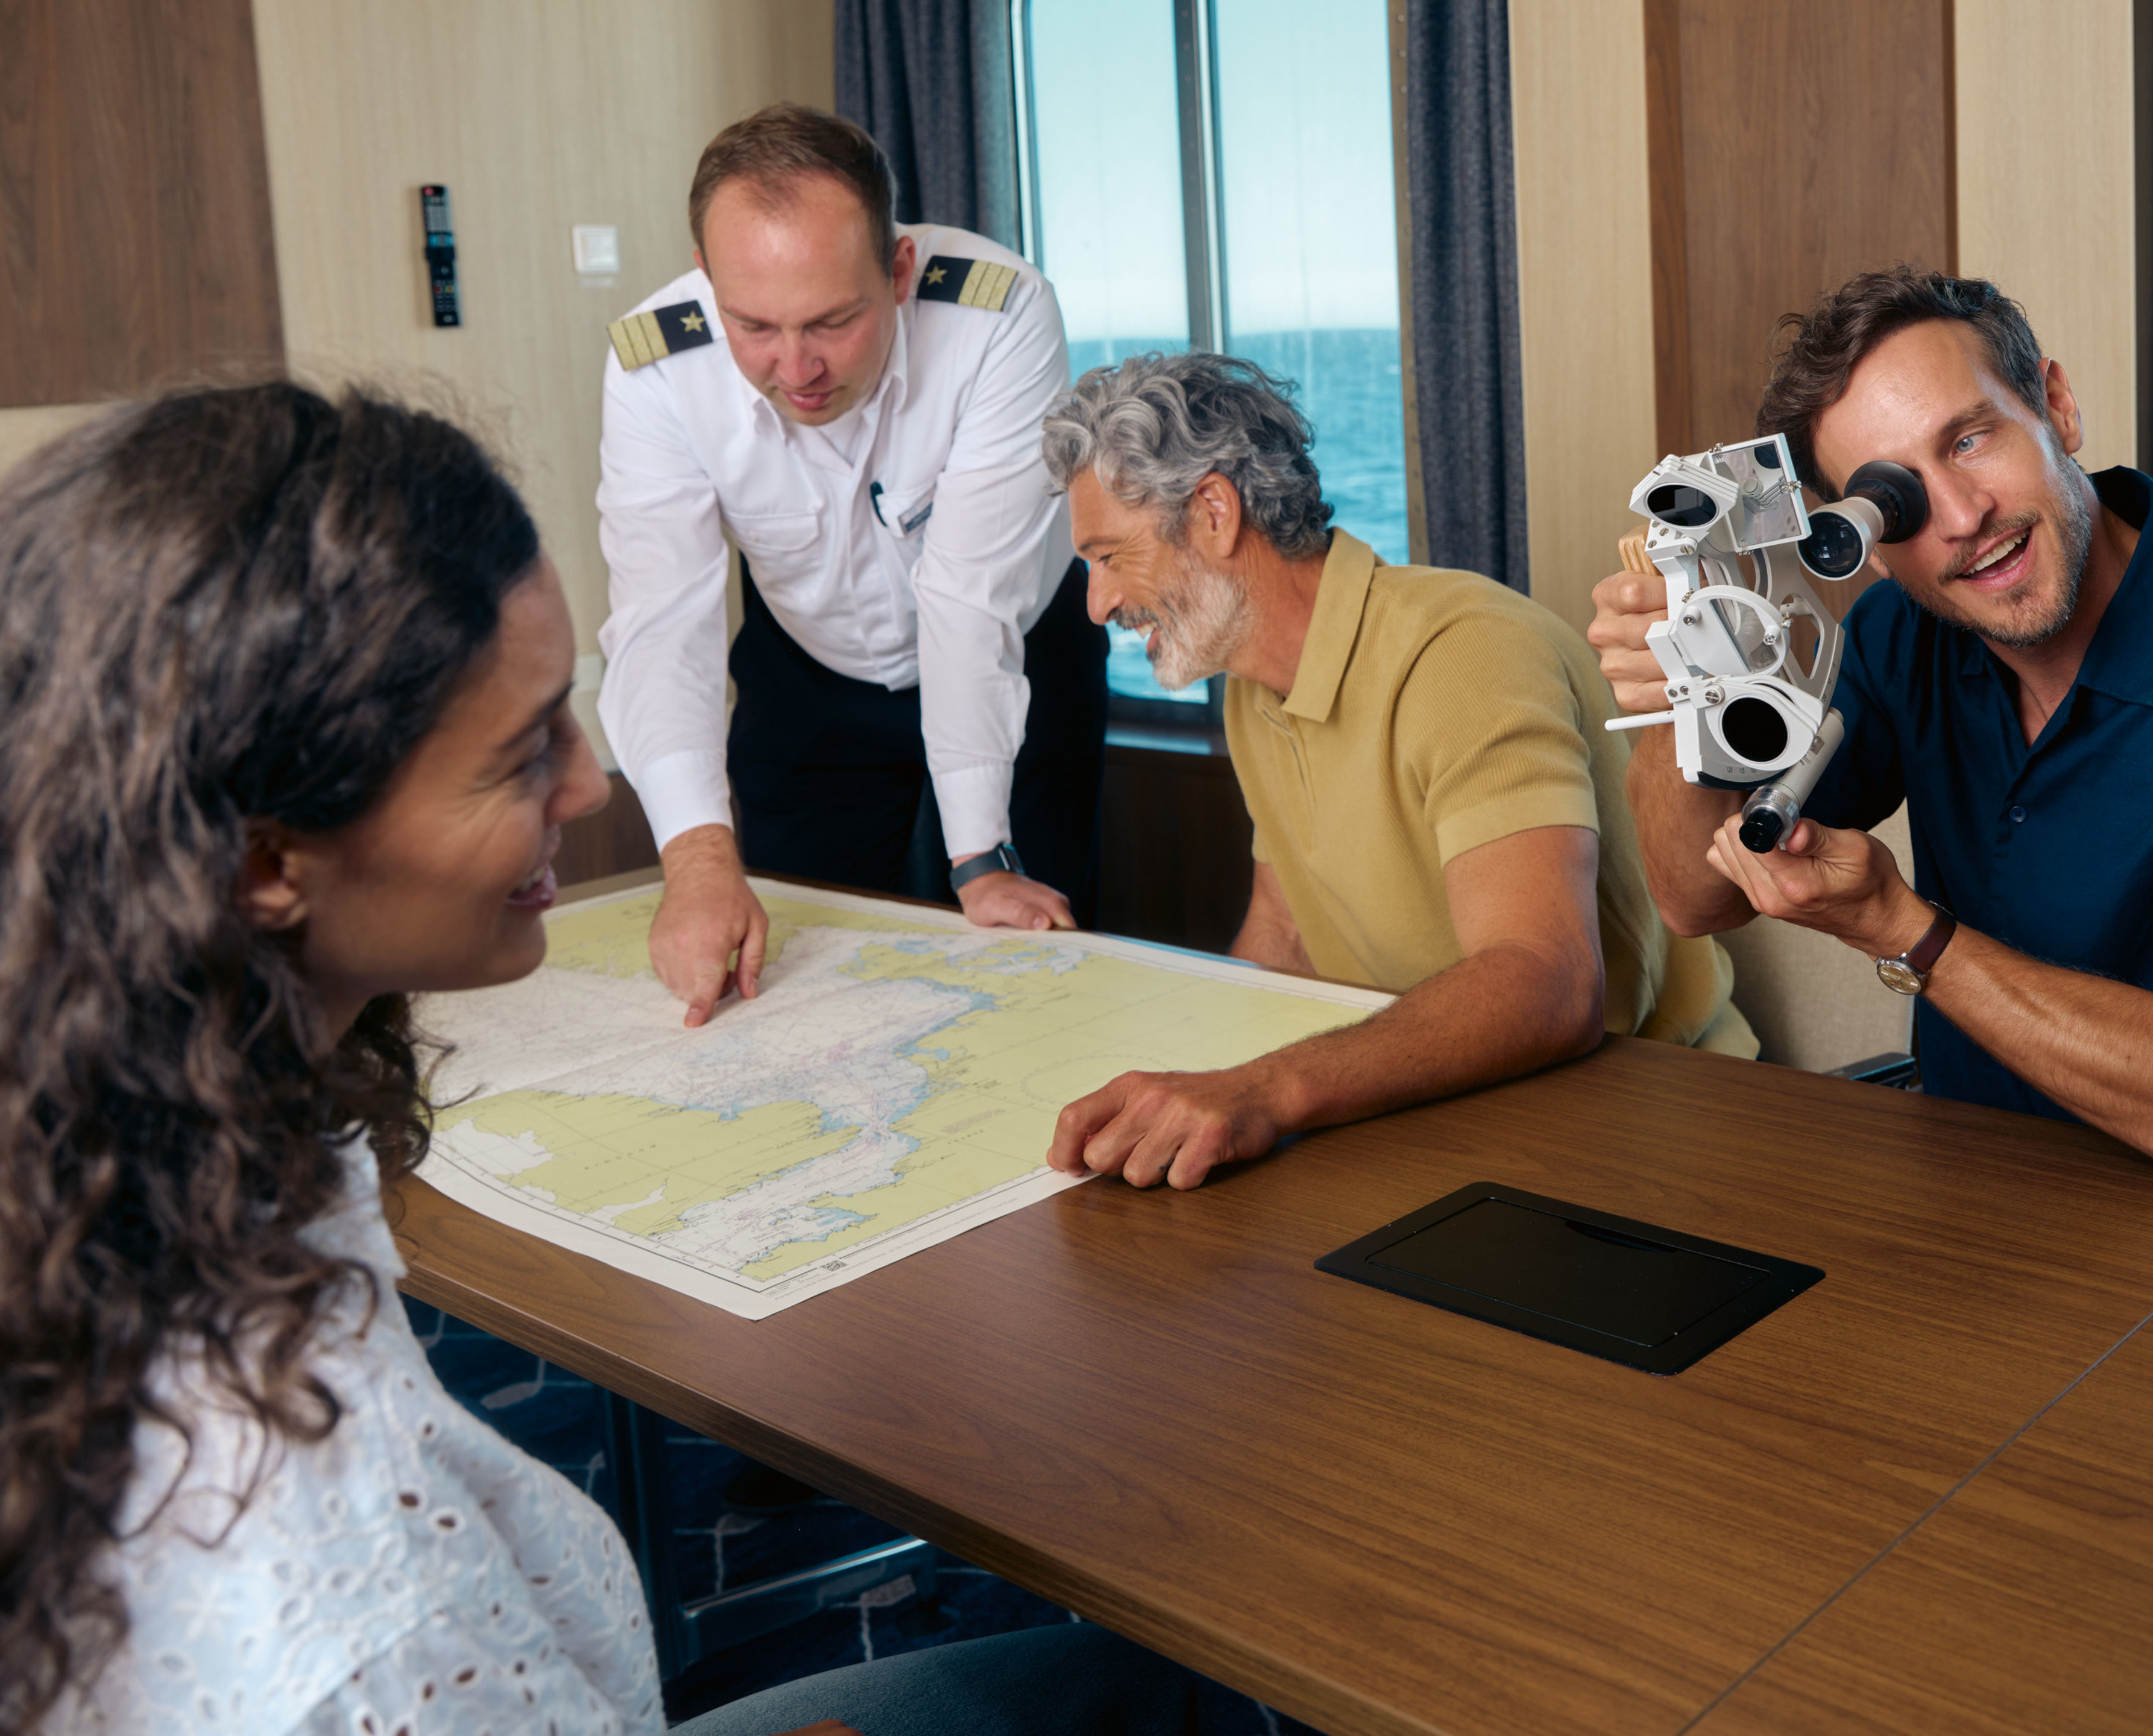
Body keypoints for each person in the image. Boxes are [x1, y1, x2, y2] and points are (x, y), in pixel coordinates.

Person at [0, 382, 1196, 1735]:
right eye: (517, 754)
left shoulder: (41, 1158)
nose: (588, 784)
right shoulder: (332, 1587)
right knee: (1134, 1686)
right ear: (267, 859)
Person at [1036, 354, 1752, 1191]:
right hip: (1426, 1120)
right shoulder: (1251, 682)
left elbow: (1547, 984)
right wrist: (1191, 1081)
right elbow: (1289, 934)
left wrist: (1264, 1088)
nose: (1095, 604)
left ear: (1213, 513)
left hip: (1632, 1121)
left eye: (1109, 556)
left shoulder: (1462, 651)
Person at [1588, 266, 2153, 1150]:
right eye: (1895, 498)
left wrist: (1908, 934)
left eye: (1970, 441)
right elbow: (1697, 896)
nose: (1964, 517)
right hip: (1973, 1189)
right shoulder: (1903, 633)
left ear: (2057, 407)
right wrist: (1688, 680)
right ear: (1864, 541)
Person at [597, 103, 1106, 1030]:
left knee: (1027, 978)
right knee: (804, 991)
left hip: (1016, 651)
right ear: (709, 285)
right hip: (808, 669)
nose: (796, 369)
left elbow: (967, 597)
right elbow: (660, 619)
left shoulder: (999, 313)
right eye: (754, 326)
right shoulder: (655, 364)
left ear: (900, 271)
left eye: (832, 322)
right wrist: (699, 864)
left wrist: (981, 863)